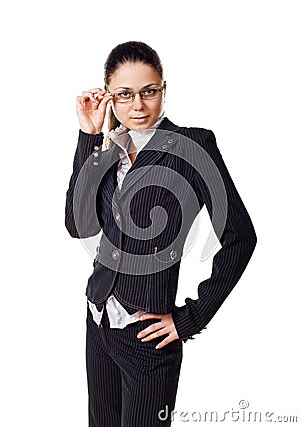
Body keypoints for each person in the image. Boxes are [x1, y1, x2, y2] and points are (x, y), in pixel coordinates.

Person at [64, 41, 257, 427]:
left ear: (163, 90)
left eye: (148, 91)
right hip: (98, 319)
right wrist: (88, 136)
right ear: (110, 98)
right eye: (125, 94)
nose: (138, 106)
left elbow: (240, 236)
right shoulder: (108, 150)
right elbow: (78, 224)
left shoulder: (193, 146)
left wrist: (190, 319)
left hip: (148, 337)